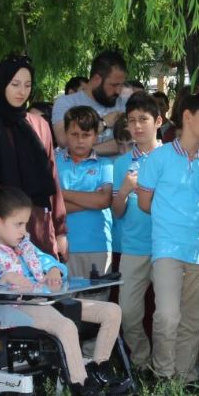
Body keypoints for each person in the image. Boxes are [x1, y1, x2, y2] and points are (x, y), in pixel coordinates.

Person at [0, 187, 122, 396]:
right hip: (12, 309)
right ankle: (81, 390)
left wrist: (54, 270)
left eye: (26, 224)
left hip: (43, 301)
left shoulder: (25, 246)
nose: (24, 230)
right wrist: (4, 279)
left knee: (111, 311)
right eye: (18, 224)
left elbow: (52, 262)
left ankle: (99, 370)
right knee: (66, 327)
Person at [138, 92, 199, 384]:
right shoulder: (158, 158)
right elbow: (144, 203)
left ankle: (184, 379)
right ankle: (163, 374)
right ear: (187, 117)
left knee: (193, 321)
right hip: (167, 248)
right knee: (168, 316)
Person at [0, 57, 70, 258]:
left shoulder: (39, 124)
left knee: (44, 281)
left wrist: (60, 230)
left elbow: (51, 179)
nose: (22, 91)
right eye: (15, 84)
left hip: (38, 224)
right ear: (1, 84)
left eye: (27, 85)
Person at [111, 92, 163, 372]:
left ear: (158, 121)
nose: (137, 126)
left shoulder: (171, 156)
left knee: (166, 315)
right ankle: (142, 364)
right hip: (133, 247)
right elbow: (116, 211)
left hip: (168, 247)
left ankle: (165, 367)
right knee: (129, 313)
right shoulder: (120, 163)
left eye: (143, 119)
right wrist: (125, 190)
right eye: (132, 121)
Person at [56, 106, 115, 281]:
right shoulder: (53, 162)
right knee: (66, 304)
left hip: (98, 245)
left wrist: (61, 193)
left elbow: (104, 201)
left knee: (98, 303)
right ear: (66, 134)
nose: (80, 140)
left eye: (86, 135)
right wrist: (90, 200)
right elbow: (51, 205)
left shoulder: (106, 165)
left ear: (95, 136)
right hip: (63, 245)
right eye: (74, 135)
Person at [52, 50, 129, 154]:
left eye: (121, 85)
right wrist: (103, 123)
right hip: (78, 169)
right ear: (96, 79)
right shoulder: (67, 103)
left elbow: (129, 143)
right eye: (114, 85)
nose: (118, 91)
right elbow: (64, 141)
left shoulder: (125, 104)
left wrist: (83, 151)